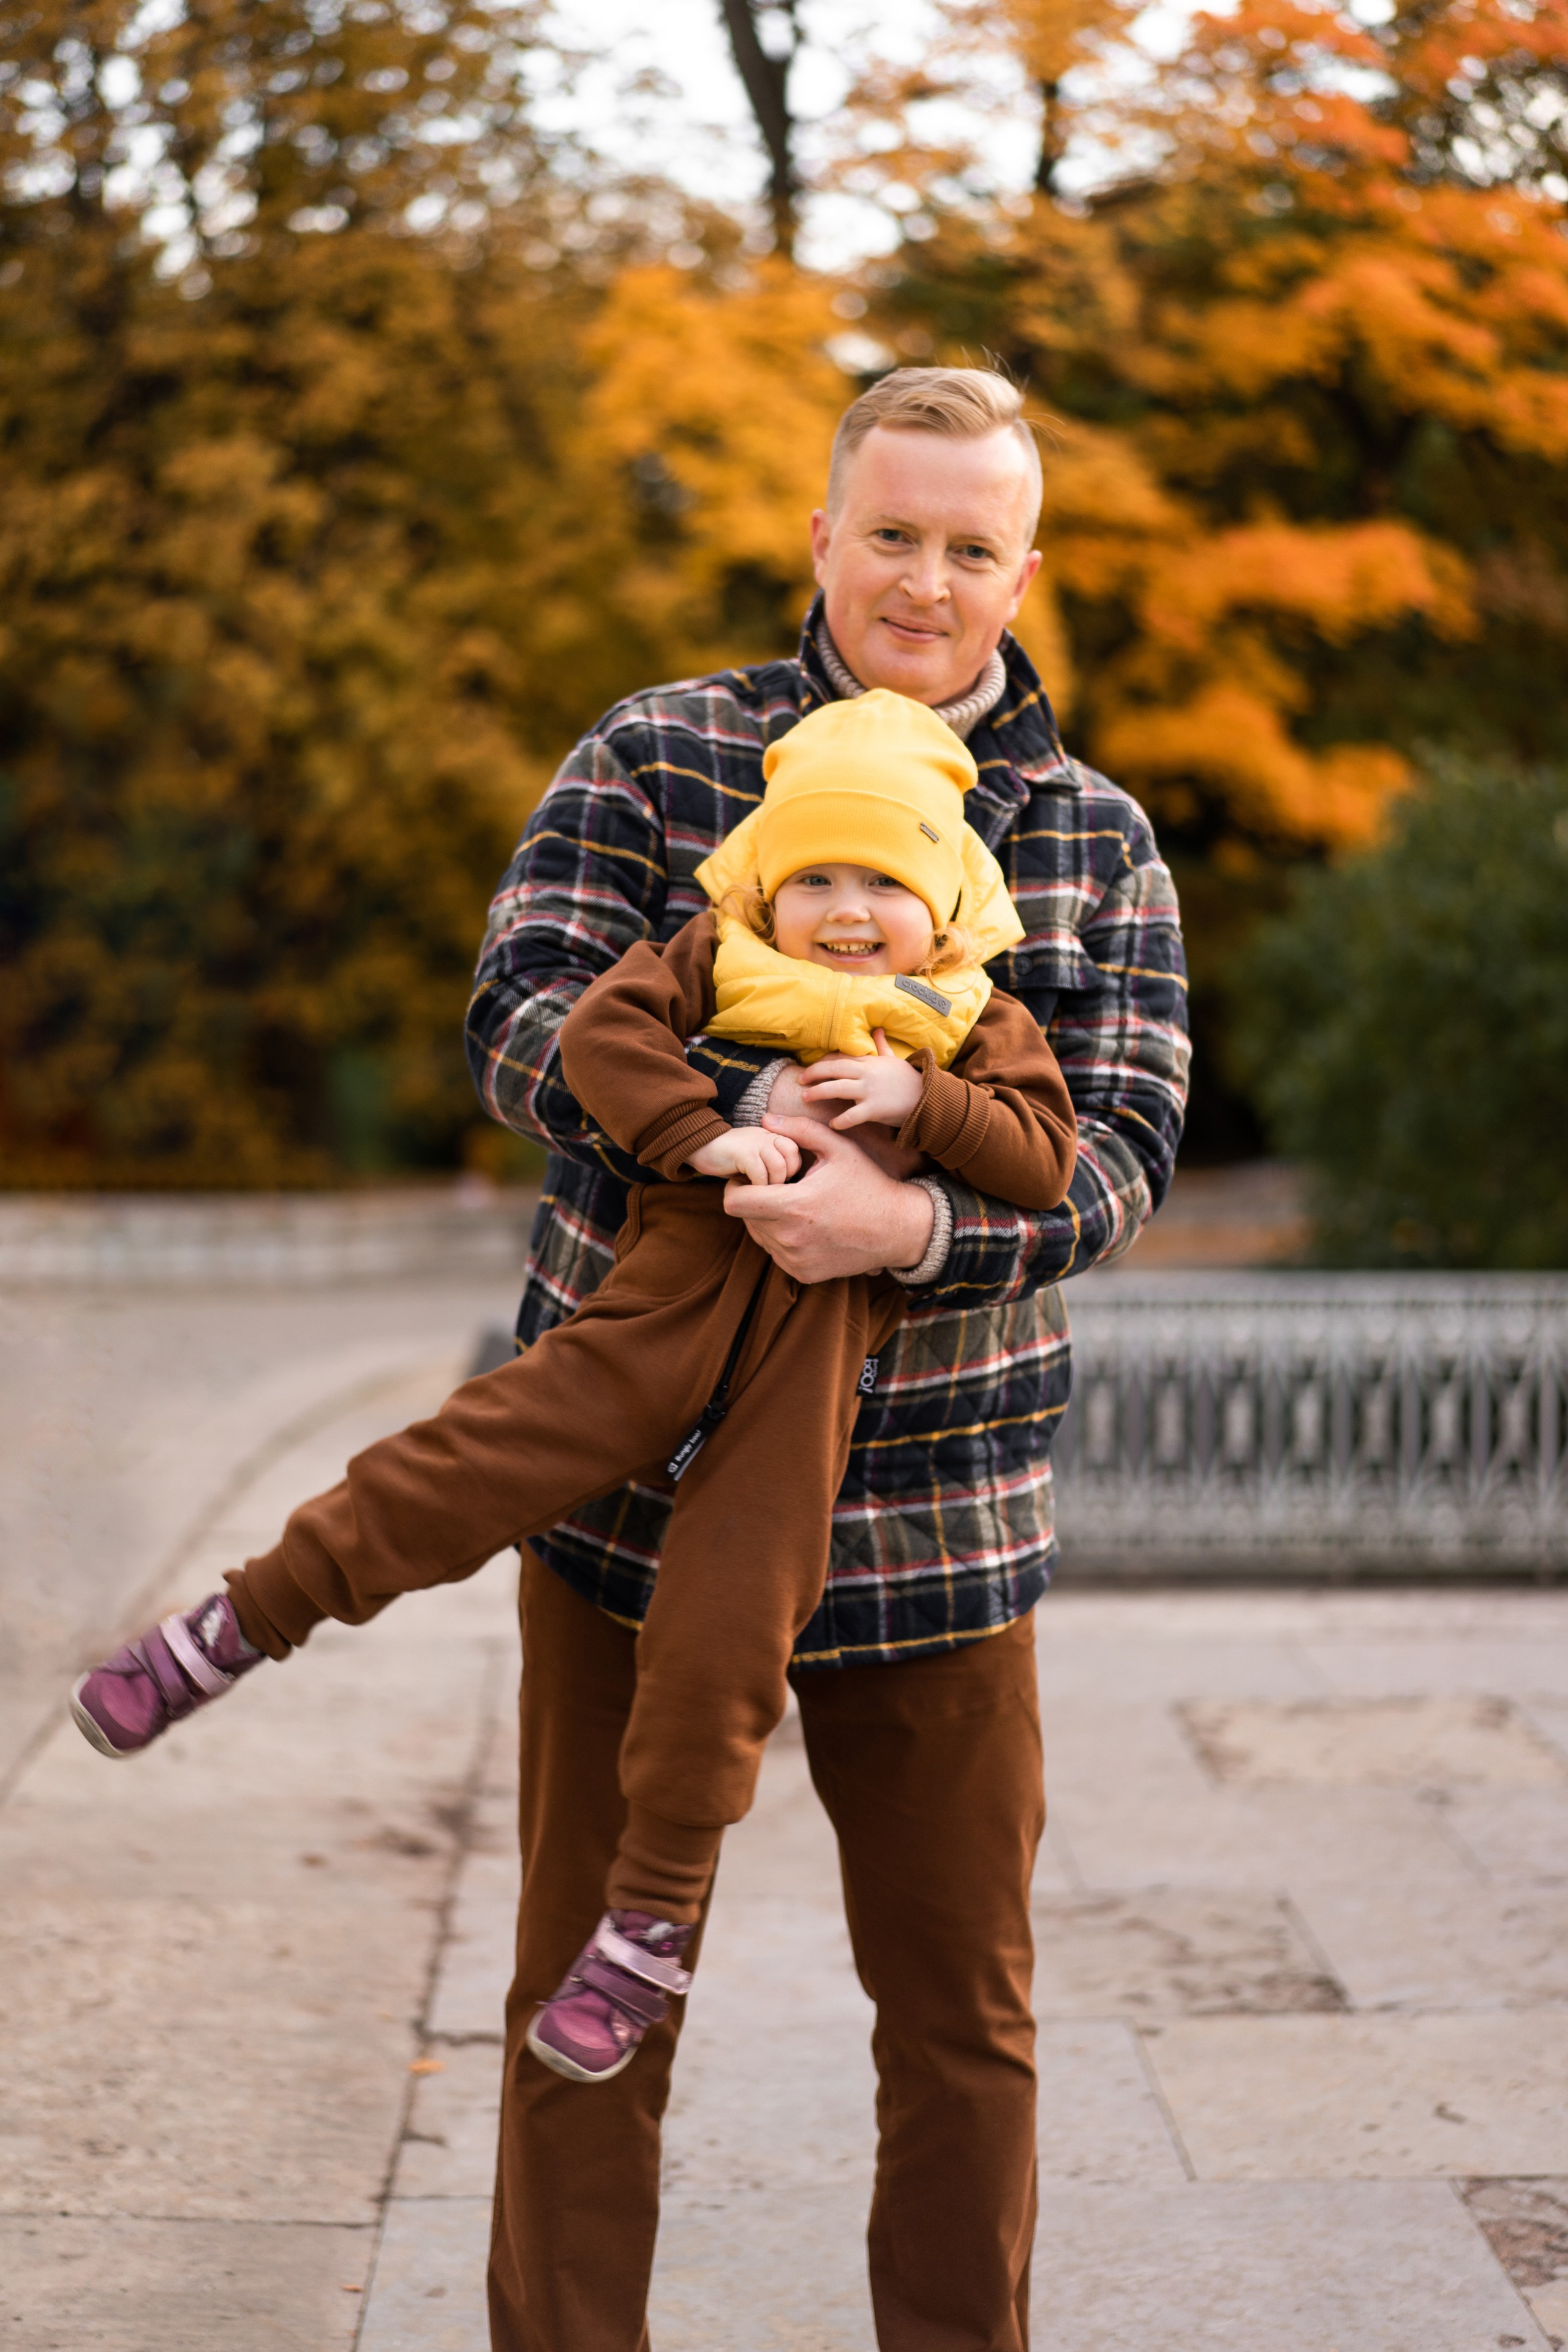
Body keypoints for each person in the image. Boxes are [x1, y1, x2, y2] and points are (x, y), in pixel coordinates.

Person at [461, 364, 1189, 2351]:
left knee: (964, 2028)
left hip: (943, 1531)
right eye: (894, 533)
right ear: (822, 533)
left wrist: (920, 1227)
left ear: (1023, 575)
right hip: (637, 1507)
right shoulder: (662, 758)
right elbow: (525, 1018)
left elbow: (1120, 1162)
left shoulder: (1098, 842)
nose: (927, 583)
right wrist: (730, 1127)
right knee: (587, 2007)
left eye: (972, 549)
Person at [69, 690, 1079, 2101]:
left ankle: (651, 1919)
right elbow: (596, 1042)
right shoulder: (705, 956)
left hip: (809, 1372)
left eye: (884, 882)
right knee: (463, 1462)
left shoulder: (974, 1019)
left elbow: (1045, 1159)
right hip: (657, 1302)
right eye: (815, 878)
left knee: (725, 1622)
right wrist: (712, 1130)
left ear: (947, 900)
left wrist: (923, 1113)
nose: (847, 912)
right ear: (766, 886)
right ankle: (240, 1621)